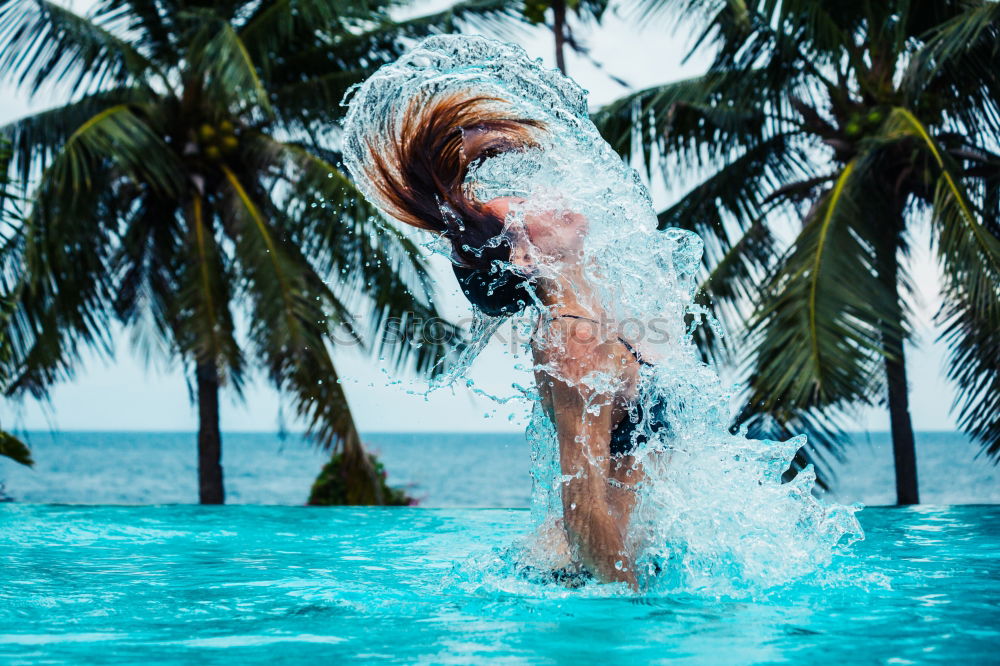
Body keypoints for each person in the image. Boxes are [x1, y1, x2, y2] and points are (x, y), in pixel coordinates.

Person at [354, 92, 673, 590]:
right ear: (523, 257)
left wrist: (472, 149)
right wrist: (634, 608)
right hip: (584, 578)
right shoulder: (572, 342)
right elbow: (582, 509)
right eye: (523, 207)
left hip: (598, 571)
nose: (543, 199)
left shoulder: (594, 313)